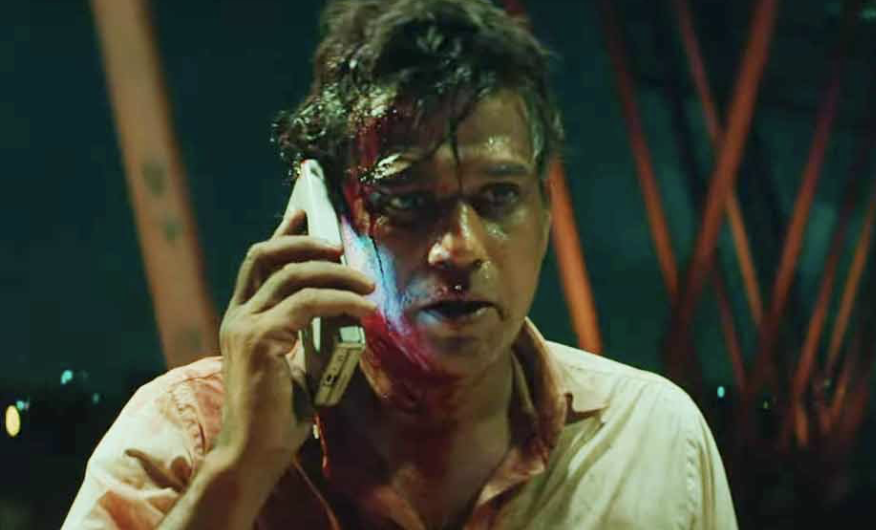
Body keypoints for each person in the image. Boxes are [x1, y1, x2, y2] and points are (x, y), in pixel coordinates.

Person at [63, 0, 737, 528]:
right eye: (408, 202)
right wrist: (240, 468)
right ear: (325, 220)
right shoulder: (186, 435)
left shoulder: (651, 441)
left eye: (499, 197)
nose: (459, 249)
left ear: (546, 211)